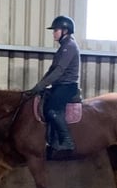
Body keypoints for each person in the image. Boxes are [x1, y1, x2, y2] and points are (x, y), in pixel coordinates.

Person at [24, 15, 81, 151]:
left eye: (56, 30)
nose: (54, 33)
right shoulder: (63, 47)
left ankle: (67, 141)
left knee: (51, 110)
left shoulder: (70, 46)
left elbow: (59, 70)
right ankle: (50, 139)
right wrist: (39, 86)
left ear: (65, 31)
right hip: (59, 85)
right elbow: (51, 70)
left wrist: (41, 86)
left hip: (67, 86)